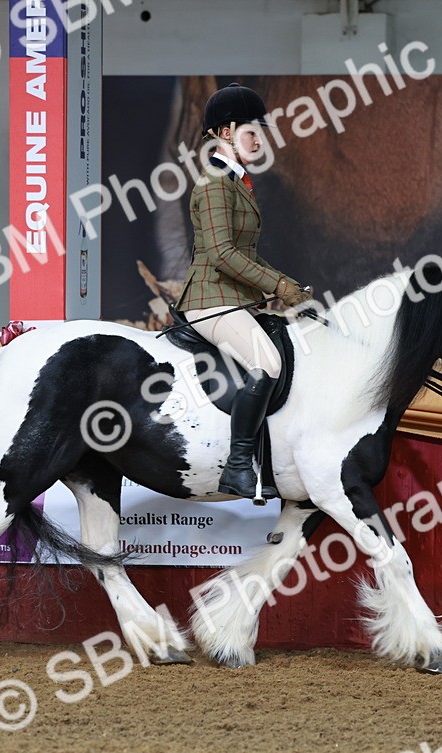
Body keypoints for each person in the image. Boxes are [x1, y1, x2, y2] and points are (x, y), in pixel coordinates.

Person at [175, 83, 312, 499]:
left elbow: (246, 253)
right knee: (267, 362)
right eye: (252, 132)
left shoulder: (235, 182)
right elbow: (221, 254)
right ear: (226, 132)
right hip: (210, 299)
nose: (259, 141)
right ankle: (237, 467)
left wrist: (288, 285)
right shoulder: (216, 182)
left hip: (232, 299)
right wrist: (278, 286)